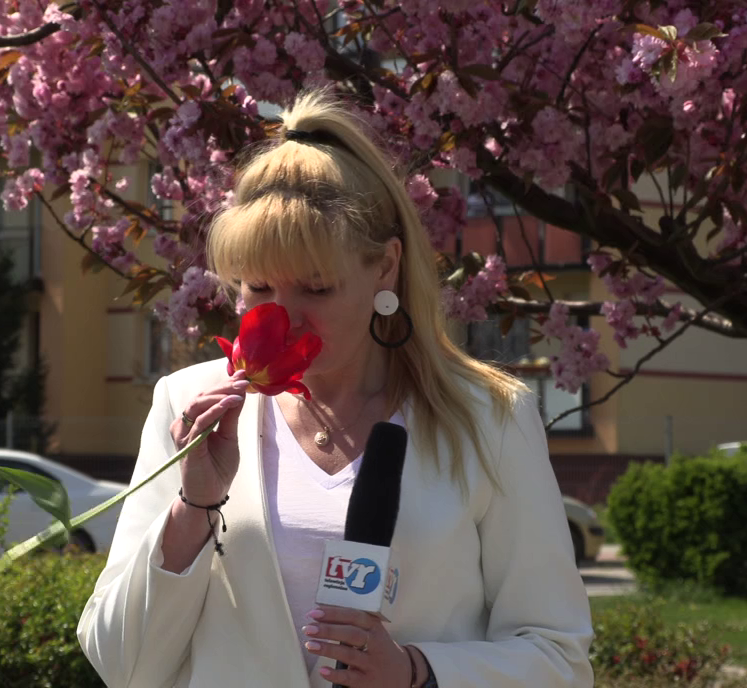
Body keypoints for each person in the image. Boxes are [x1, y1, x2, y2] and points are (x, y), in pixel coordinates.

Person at [77, 89, 594, 688]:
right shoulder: (190, 406)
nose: (284, 316)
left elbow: (559, 659)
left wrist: (417, 673)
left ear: (386, 268)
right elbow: (120, 664)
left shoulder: (491, 418)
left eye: (317, 288)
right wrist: (194, 509)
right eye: (258, 288)